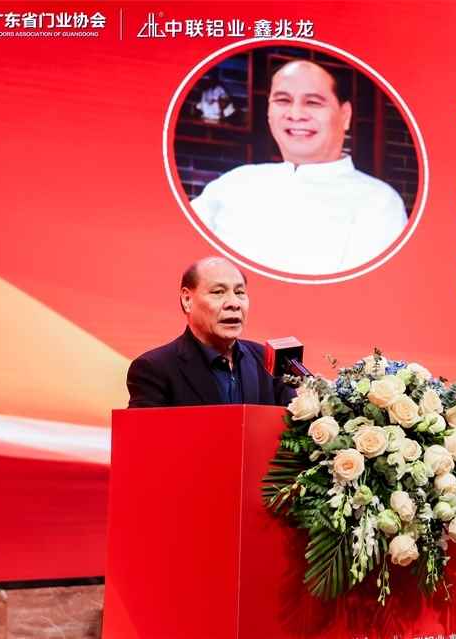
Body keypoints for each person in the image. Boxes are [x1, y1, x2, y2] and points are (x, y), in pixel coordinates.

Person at [190, 60, 408, 275]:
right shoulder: (232, 184)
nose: (295, 114)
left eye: (312, 102)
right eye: (282, 100)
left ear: (345, 115)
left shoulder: (379, 202)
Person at [127, 257, 295, 408]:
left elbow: (292, 428)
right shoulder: (155, 368)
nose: (234, 303)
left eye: (239, 292)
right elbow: (142, 432)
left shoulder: (268, 361)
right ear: (187, 300)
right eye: (218, 292)